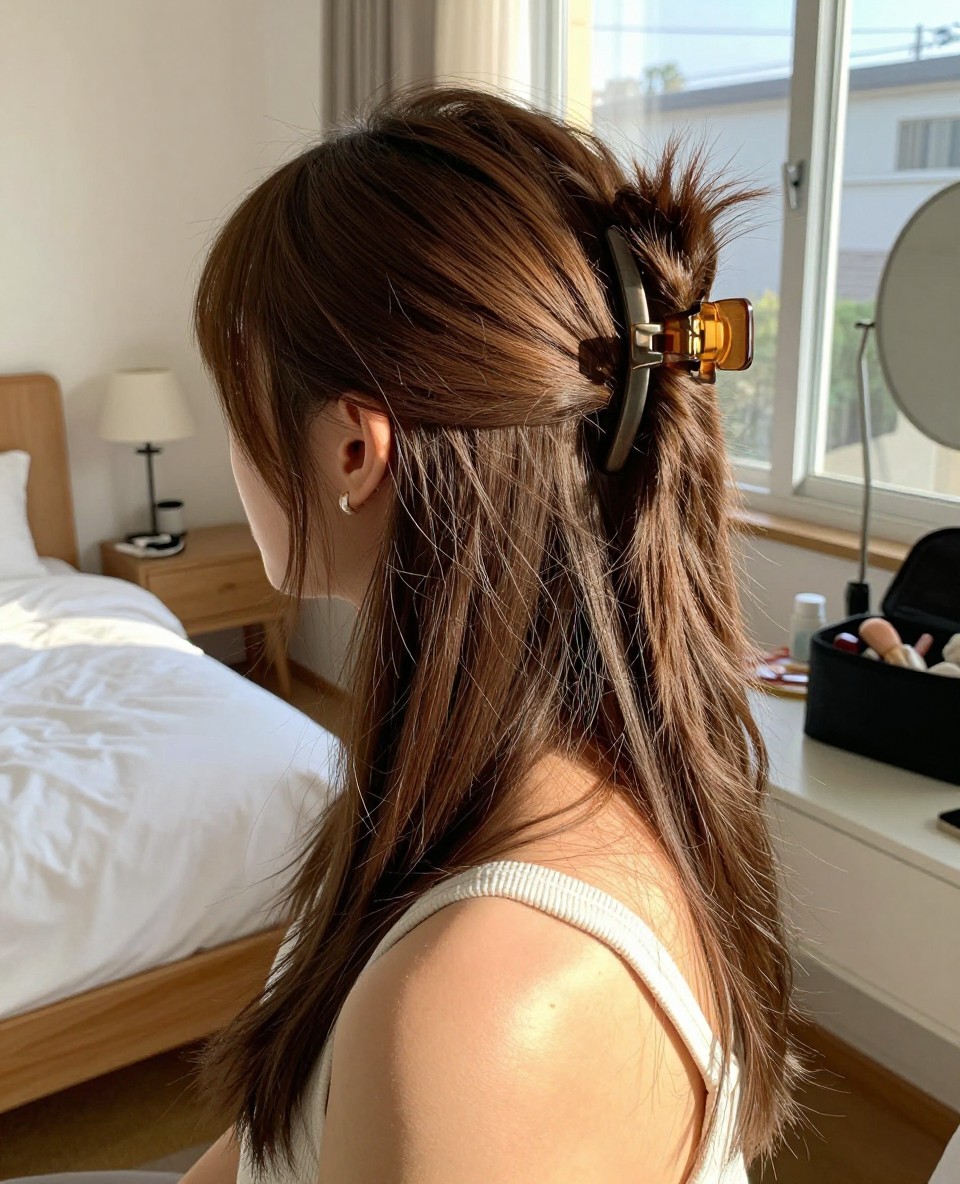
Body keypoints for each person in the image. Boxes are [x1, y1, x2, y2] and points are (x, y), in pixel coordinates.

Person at [183, 85, 804, 1184]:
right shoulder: (543, 773)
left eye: (237, 394)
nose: (233, 445)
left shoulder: (471, 1011)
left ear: (353, 448)